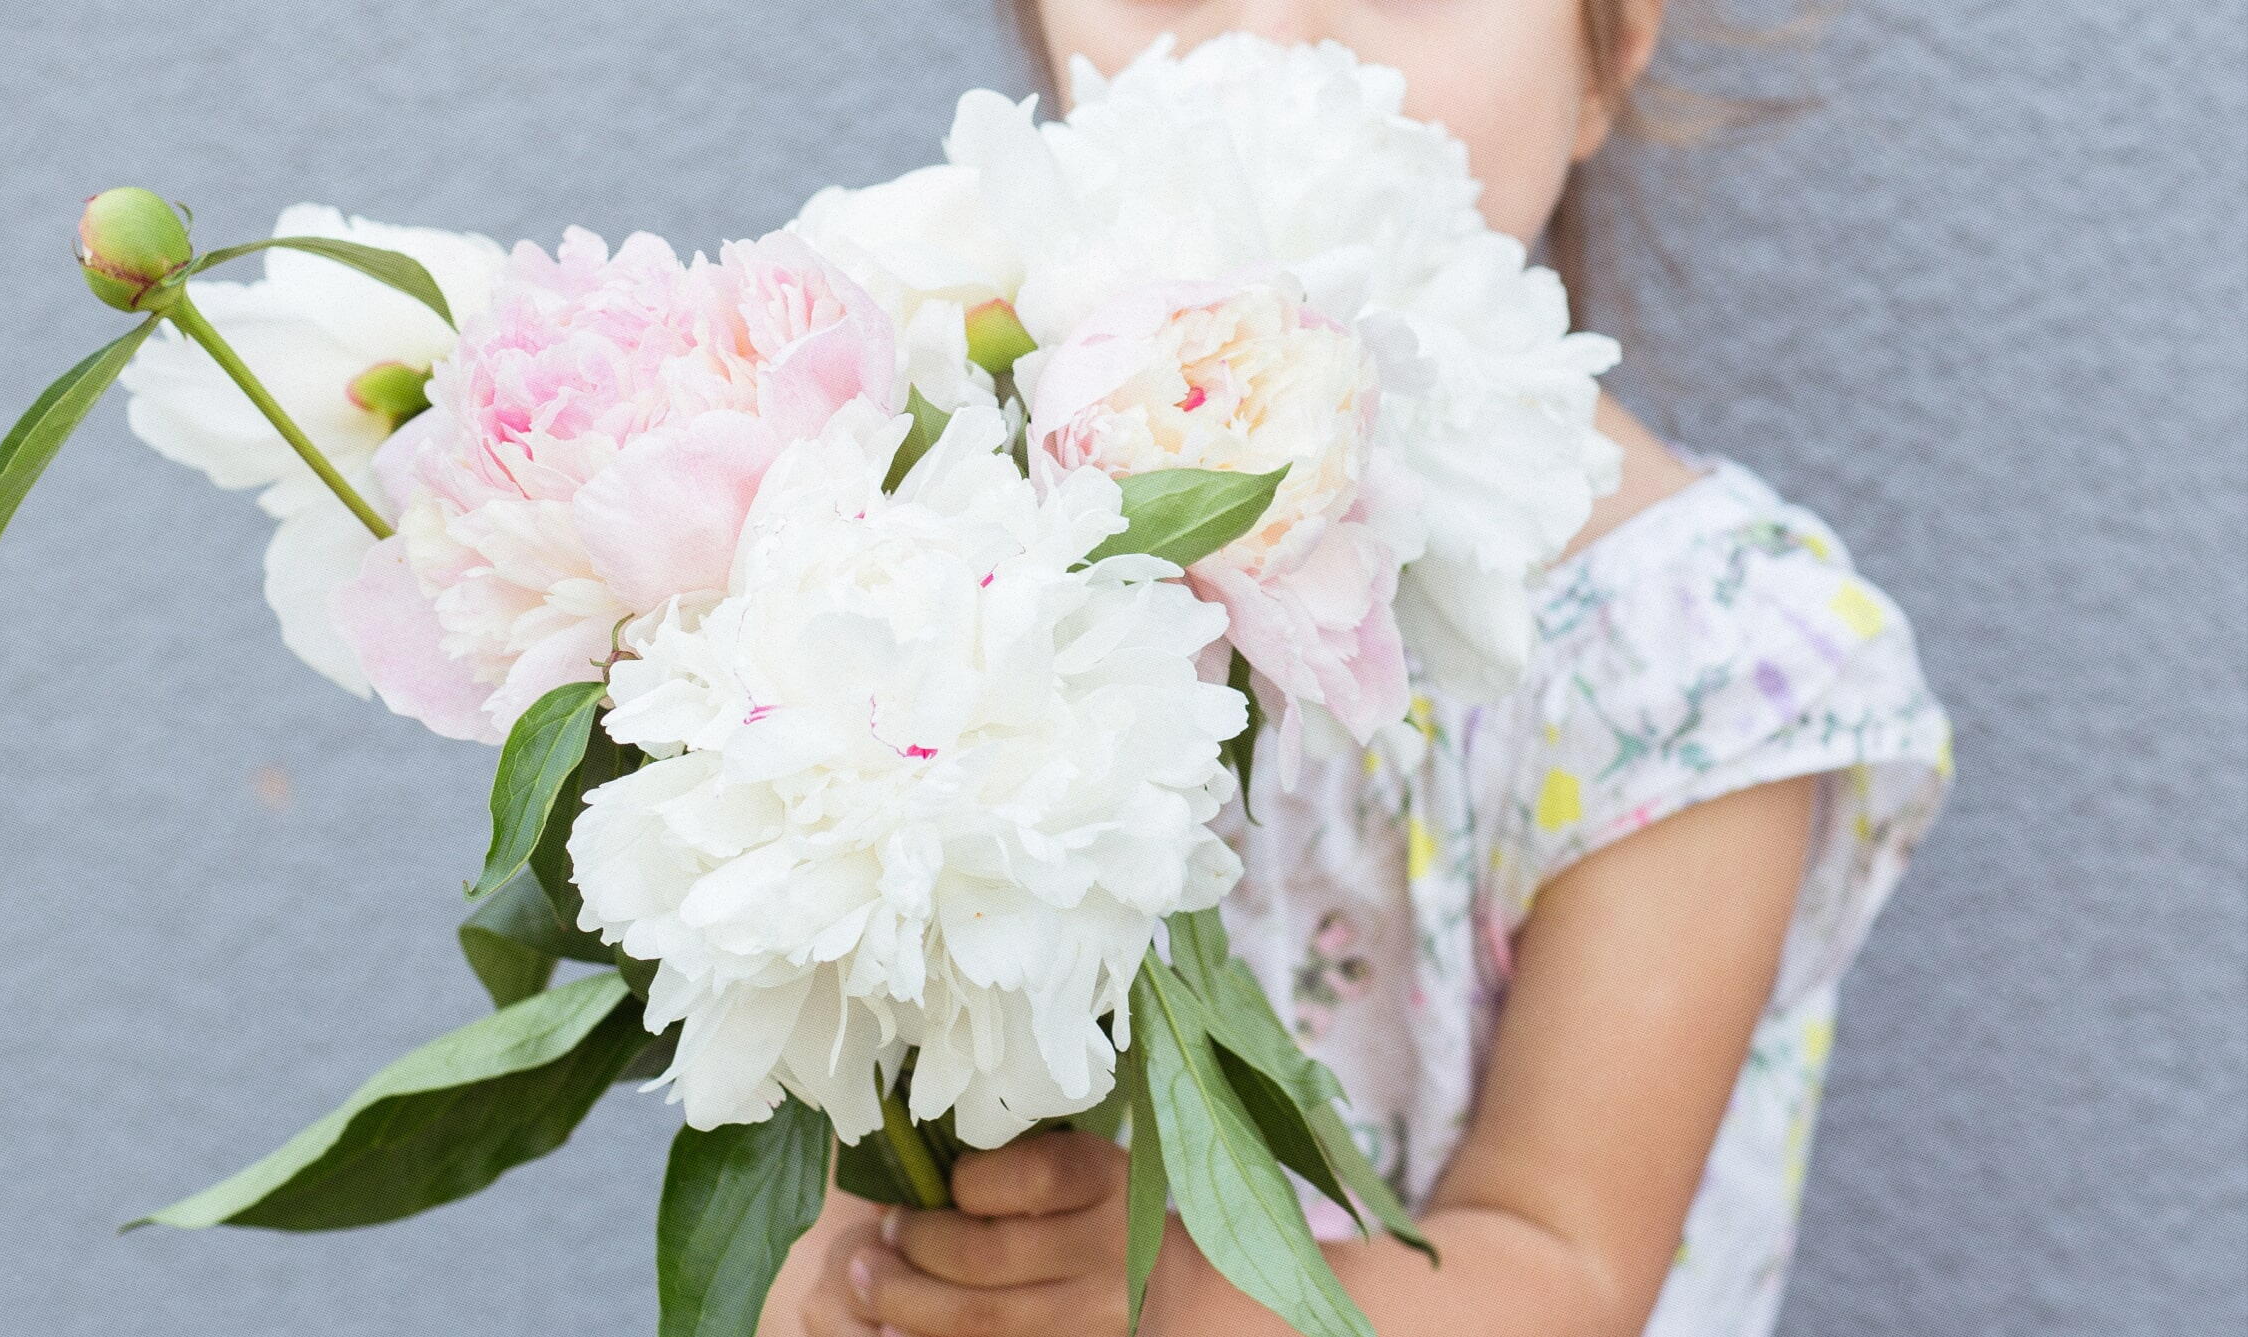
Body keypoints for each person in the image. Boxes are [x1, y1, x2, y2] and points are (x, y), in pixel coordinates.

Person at [765, 3, 1955, 1334]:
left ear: (1604, 57)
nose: (1273, 47)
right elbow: (839, 1179)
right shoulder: (955, 552)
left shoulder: (1694, 657)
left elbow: (1563, 1264)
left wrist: (1168, 1295)